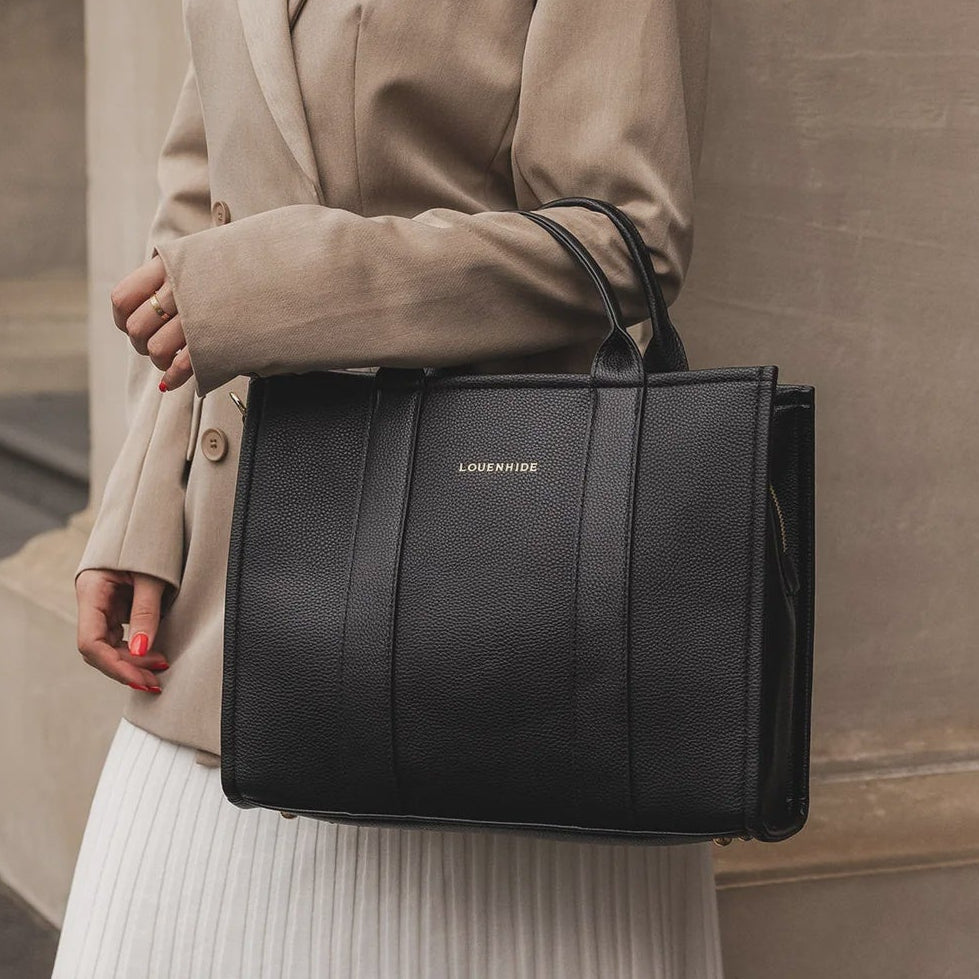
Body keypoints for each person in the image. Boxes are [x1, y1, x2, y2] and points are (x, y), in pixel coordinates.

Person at [55, 0, 721, 974]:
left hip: (479, 620)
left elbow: (629, 243)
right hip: (227, 604)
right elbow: (200, 216)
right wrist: (143, 515)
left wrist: (284, 289)